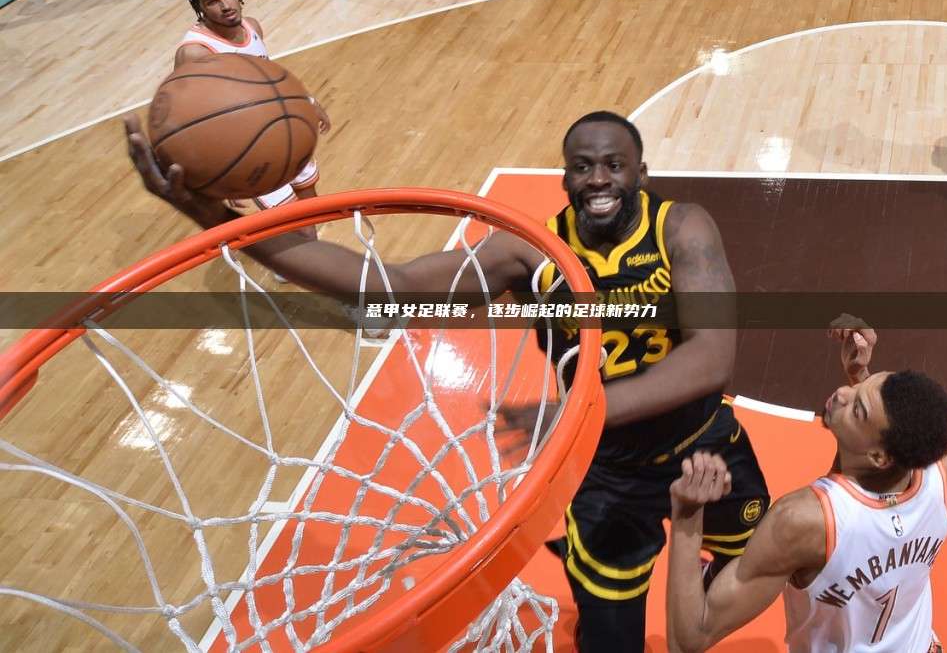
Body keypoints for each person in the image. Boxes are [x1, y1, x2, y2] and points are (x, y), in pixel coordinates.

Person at [122, 109, 770, 653]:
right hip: (608, 475)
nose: (598, 178)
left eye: (614, 164)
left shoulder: (683, 228)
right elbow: (392, 284)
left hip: (706, 444)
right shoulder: (533, 256)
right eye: (582, 165)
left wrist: (577, 410)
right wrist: (221, 220)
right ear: (565, 177)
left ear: (641, 173)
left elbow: (711, 356)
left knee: (740, 580)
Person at [666, 317, 947, 653]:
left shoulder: (805, 522)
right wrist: (860, 376)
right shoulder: (940, 471)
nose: (842, 393)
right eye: (857, 388)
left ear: (879, 457)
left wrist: (687, 515)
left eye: (858, 408)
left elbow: (690, 638)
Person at [178, 0, 330, 252]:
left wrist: (307, 100)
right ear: (199, 7)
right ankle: (313, 273)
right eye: (212, 2)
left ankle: (302, 264)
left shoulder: (252, 26)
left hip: (285, 131)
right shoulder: (196, 53)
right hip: (247, 153)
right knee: (298, 226)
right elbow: (186, 118)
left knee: (312, 205)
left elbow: (269, 73)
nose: (225, 5)